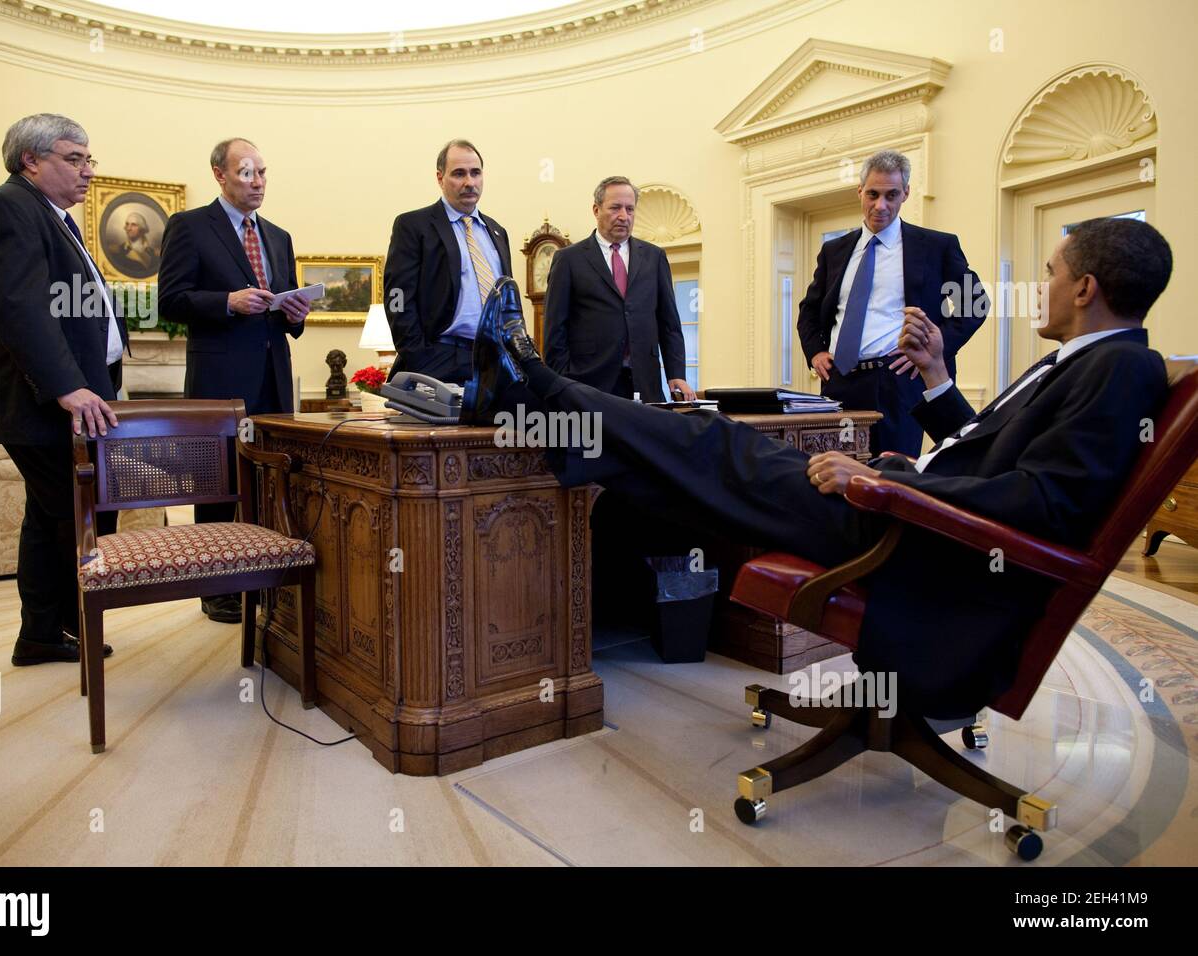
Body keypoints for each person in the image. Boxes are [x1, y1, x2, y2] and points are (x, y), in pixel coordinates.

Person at [462, 217, 1171, 718]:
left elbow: (1044, 502)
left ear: (1084, 290)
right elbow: (989, 450)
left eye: (1050, 274)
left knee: (713, 446)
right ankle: (537, 405)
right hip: (918, 520)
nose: (1041, 286)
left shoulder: (1120, 371)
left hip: (921, 548)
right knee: (690, 477)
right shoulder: (1091, 361)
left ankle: (538, 389)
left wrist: (890, 484)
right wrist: (934, 381)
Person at [0, 113, 126, 666]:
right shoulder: (7, 206)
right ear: (31, 161)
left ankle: (45, 629)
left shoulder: (55, 217)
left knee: (54, 513)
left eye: (90, 159)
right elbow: (19, 308)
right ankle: (51, 626)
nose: (87, 171)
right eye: (73, 158)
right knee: (68, 515)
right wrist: (67, 387)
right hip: (47, 404)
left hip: (78, 399)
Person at [158, 137, 310, 623]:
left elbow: (288, 319)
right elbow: (172, 300)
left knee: (269, 474)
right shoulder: (189, 227)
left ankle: (262, 575)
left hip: (272, 377)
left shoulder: (280, 237)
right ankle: (217, 587)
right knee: (219, 478)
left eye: (263, 172)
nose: (258, 181)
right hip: (220, 377)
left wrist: (296, 312)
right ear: (219, 175)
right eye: (246, 172)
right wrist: (227, 301)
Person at [797, 149, 988, 455]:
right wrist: (815, 351)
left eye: (891, 195)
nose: (880, 205)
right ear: (859, 191)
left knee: (890, 477)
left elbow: (975, 303)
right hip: (839, 384)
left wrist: (932, 351)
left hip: (898, 381)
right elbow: (809, 310)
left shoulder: (936, 247)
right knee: (836, 470)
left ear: (906, 194)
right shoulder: (833, 251)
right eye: (872, 194)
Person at [543, 175, 692, 402]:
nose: (624, 216)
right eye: (615, 208)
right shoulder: (569, 260)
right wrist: (562, 382)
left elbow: (669, 323)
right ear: (596, 209)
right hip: (588, 384)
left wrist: (676, 374)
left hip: (645, 383)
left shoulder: (654, 257)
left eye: (630, 209)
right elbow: (555, 328)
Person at [382, 139, 513, 385]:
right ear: (440, 178)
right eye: (459, 174)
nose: (469, 182)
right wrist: (418, 355)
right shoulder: (413, 226)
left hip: (494, 361)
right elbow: (396, 296)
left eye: (475, 173)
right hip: (439, 358)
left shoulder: (497, 232)